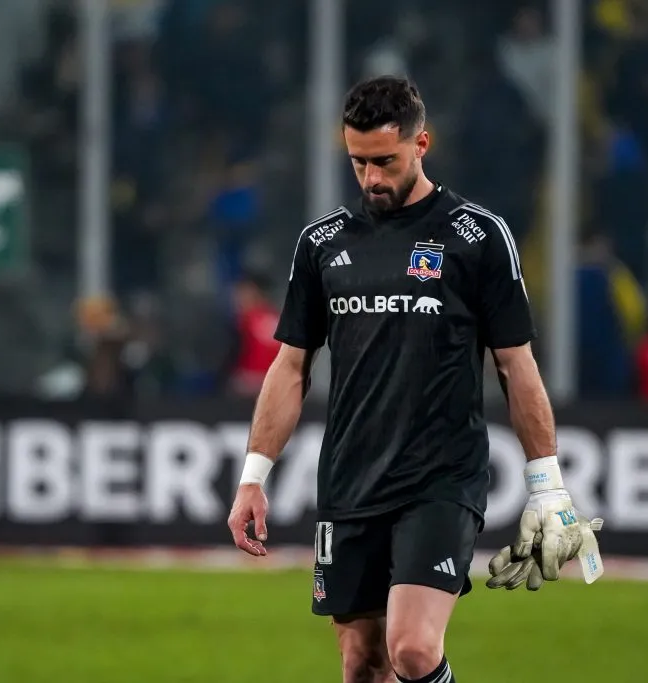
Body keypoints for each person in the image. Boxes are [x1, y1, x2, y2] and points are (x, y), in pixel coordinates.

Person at [226, 76, 603, 683]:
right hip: (350, 480)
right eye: (358, 163)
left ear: (421, 143)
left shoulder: (477, 237)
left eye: (385, 161)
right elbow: (290, 367)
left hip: (440, 478)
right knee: (361, 663)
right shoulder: (322, 244)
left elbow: (516, 364)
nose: (371, 177)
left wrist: (548, 486)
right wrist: (253, 477)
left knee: (413, 651)